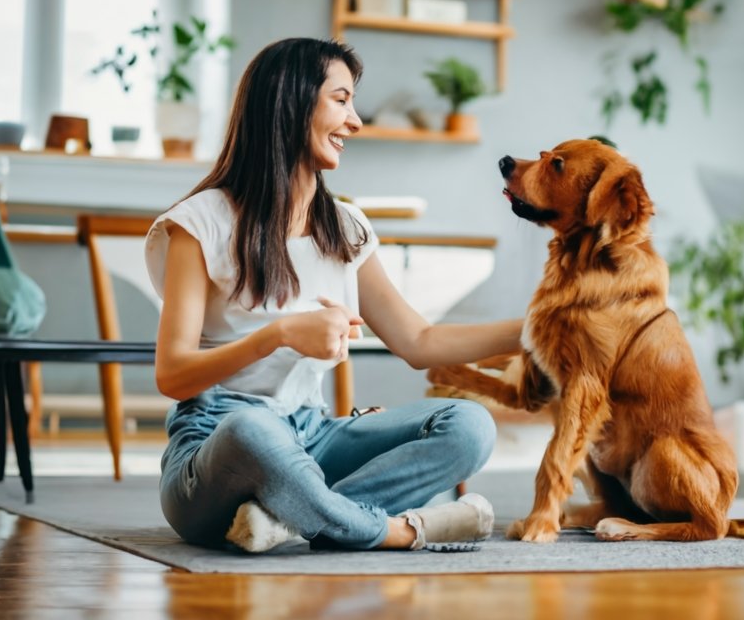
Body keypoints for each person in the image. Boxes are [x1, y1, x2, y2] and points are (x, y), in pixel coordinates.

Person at [144, 38, 521, 553]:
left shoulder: (344, 228)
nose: (355, 121)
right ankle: (395, 529)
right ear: (290, 102)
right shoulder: (199, 222)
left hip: (312, 435)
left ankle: (287, 518)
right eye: (341, 100)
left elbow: (419, 340)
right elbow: (172, 374)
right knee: (252, 429)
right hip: (216, 446)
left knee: (469, 425)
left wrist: (535, 331)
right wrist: (279, 335)